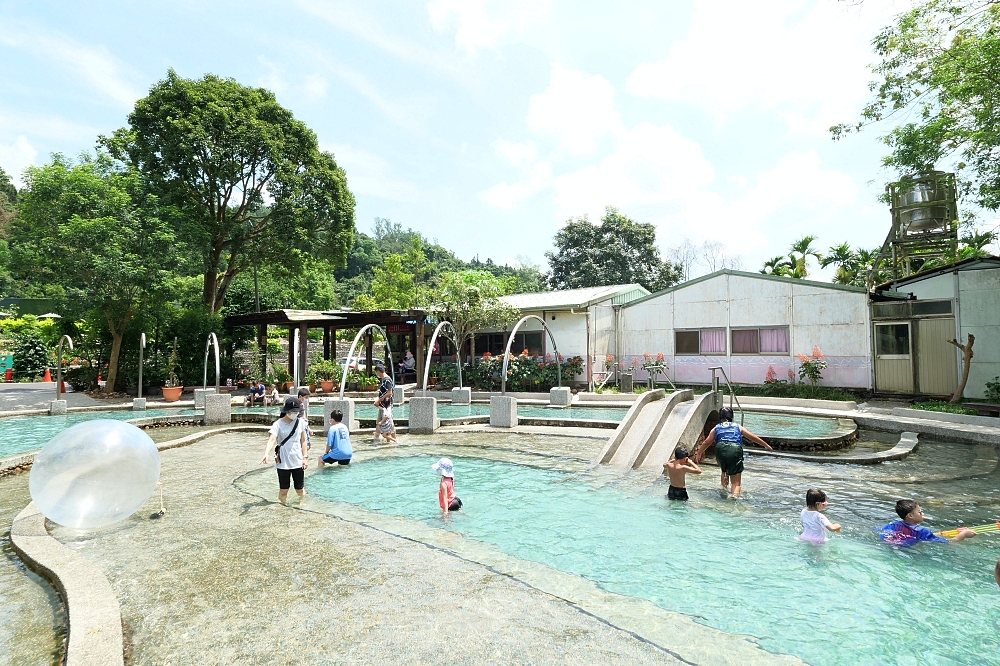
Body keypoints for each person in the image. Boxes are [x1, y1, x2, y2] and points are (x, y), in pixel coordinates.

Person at [693, 407, 772, 497]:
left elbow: (707, 442)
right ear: (731, 416)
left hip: (720, 448)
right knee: (736, 483)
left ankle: (723, 491)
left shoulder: (716, 428)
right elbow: (752, 437)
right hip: (734, 449)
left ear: (720, 417)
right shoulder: (737, 426)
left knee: (724, 470)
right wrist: (766, 445)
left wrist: (699, 453)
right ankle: (733, 496)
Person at [260, 397, 308, 504]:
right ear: (287, 411)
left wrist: (305, 457)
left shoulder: (300, 423)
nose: (295, 414)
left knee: (299, 488)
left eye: (297, 412)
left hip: (297, 460)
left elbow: (303, 441)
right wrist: (266, 453)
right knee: (283, 490)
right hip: (283, 461)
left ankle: (302, 505)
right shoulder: (278, 424)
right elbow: (272, 439)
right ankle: (282, 506)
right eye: (293, 412)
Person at [877, 499, 976, 546]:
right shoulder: (922, 531)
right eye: (920, 512)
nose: (922, 513)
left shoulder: (892, 525)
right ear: (910, 515)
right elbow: (950, 542)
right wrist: (964, 534)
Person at [373, 363, 397, 444]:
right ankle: (376, 439)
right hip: (383, 404)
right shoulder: (384, 379)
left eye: (376, 372)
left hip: (386, 404)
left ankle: (392, 440)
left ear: (378, 371)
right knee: (380, 422)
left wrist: (379, 400)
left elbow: (389, 393)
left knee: (388, 422)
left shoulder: (387, 380)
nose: (376, 374)